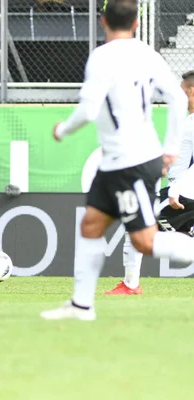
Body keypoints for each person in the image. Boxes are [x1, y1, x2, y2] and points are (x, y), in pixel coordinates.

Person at [40, 0, 194, 321]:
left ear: (102, 21)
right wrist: (170, 148)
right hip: (116, 161)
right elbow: (179, 98)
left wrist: (63, 129)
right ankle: (82, 305)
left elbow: (88, 109)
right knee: (91, 225)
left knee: (145, 240)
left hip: (132, 161)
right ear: (137, 23)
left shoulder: (101, 56)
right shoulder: (148, 54)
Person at [105, 70, 194, 295]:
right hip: (182, 189)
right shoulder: (189, 120)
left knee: (137, 224)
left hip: (185, 193)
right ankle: (130, 284)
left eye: (182, 91)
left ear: (191, 92)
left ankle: (131, 284)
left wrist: (176, 188)